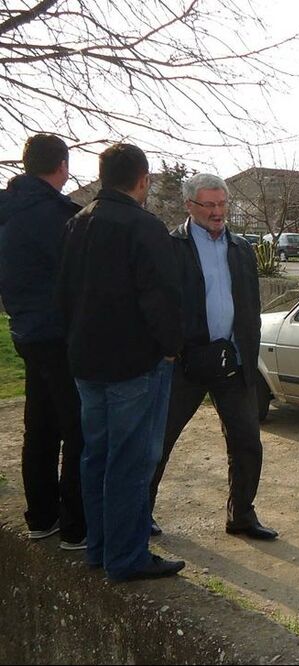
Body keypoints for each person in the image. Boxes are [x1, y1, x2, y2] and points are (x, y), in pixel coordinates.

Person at [57, 143, 185, 582]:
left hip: (87, 360)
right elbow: (161, 295)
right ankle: (127, 556)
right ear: (143, 180)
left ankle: (100, 547)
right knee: (131, 462)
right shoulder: (144, 226)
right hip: (134, 364)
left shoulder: (77, 222)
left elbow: (64, 293)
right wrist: (171, 346)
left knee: (96, 456)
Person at [149, 173, 277, 541]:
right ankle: (140, 513)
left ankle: (242, 516)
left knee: (247, 443)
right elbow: (160, 304)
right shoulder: (171, 246)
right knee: (158, 442)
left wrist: (247, 349)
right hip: (184, 363)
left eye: (222, 204)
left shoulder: (241, 247)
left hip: (232, 362)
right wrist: (171, 349)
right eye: (209, 205)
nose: (217, 212)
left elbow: (250, 304)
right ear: (189, 206)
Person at [0, 134, 86, 550]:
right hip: (59, 333)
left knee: (39, 425)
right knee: (77, 427)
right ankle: (75, 525)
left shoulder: (8, 210)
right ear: (62, 166)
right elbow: (75, 276)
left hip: (25, 329)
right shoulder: (57, 216)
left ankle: (41, 515)